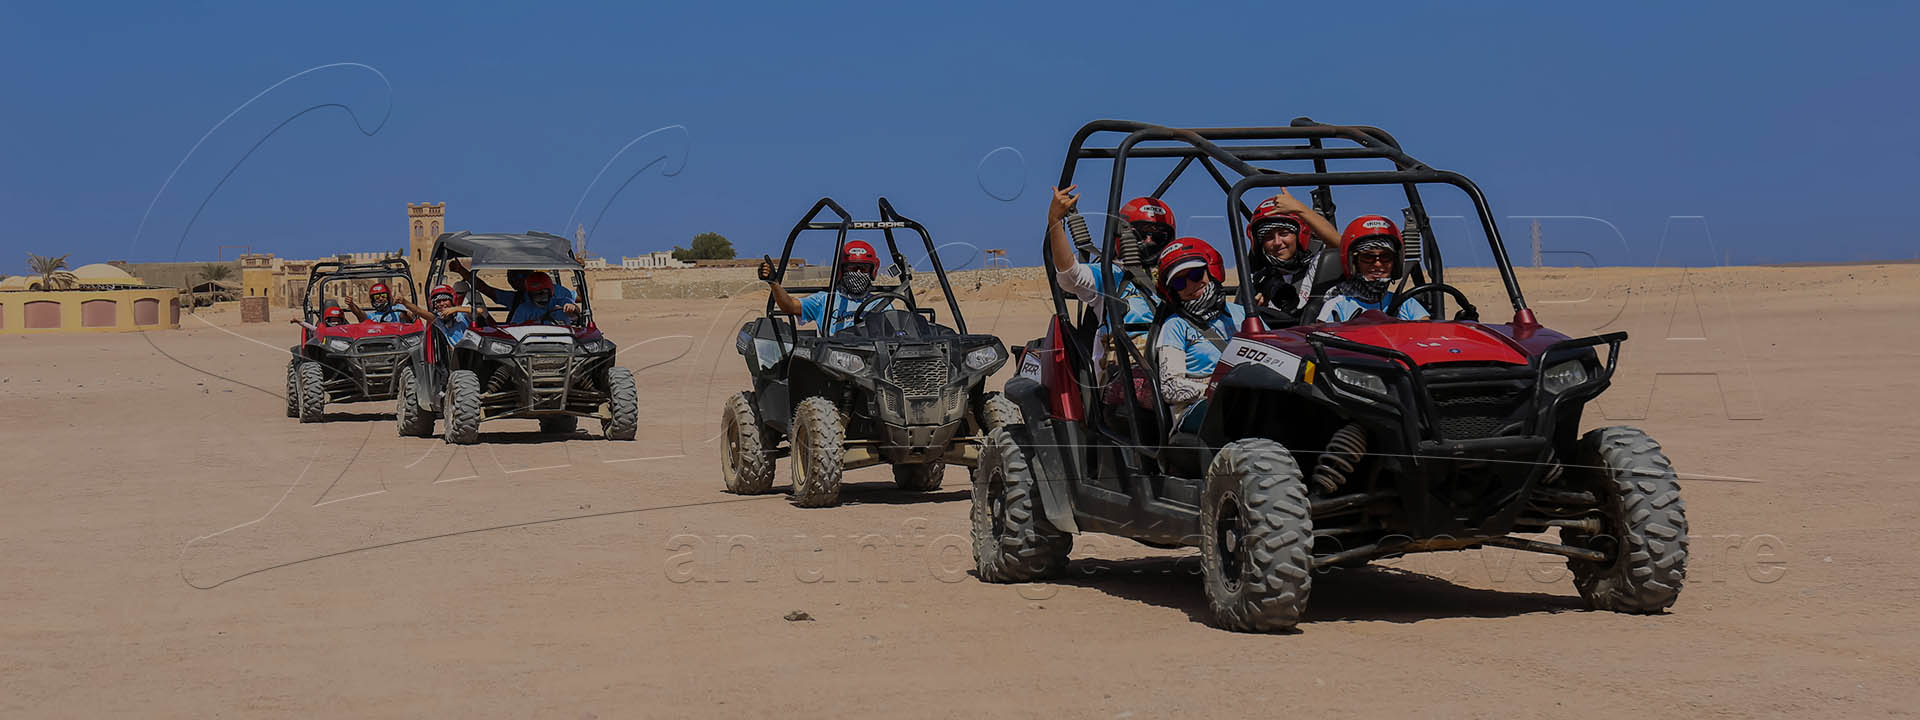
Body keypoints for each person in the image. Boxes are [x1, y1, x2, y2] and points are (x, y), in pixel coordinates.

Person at [1151, 237, 1246, 433]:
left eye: (1195, 274)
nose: (1190, 285)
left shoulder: (1243, 314)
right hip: (1197, 407)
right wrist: (1222, 390)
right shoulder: (1175, 325)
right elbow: (1170, 387)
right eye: (1178, 283)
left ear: (1211, 271)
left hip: (1250, 396)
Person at [759, 240, 892, 335]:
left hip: (874, 361)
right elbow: (789, 306)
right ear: (842, 270)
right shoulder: (825, 300)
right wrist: (774, 283)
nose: (857, 273)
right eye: (852, 267)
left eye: (863, 268)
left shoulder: (881, 303)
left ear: (872, 271)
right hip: (836, 361)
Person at [1244, 190, 1339, 323]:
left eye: (1284, 233)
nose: (1277, 242)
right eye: (1269, 237)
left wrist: (1300, 209)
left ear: (1299, 235)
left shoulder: (1318, 265)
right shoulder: (1258, 280)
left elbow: (1341, 247)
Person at [1317, 215, 1431, 323]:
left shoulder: (1406, 304)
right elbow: (1321, 338)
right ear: (1355, 263)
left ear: (1395, 262)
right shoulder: (1337, 306)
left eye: (1386, 257)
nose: (1377, 264)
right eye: (1368, 257)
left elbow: (1427, 333)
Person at [449, 261, 579, 324]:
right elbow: (486, 289)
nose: (541, 297)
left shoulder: (559, 297)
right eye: (536, 294)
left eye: (543, 293)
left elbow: (576, 301)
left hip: (560, 341)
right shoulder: (521, 306)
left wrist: (572, 309)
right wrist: (461, 270)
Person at [397, 284, 475, 346]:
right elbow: (418, 311)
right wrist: (404, 302)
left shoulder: (462, 315)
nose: (441, 304)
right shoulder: (439, 321)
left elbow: (478, 311)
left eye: (445, 300)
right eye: (438, 302)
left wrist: (455, 309)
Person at [342, 281, 414, 323]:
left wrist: (404, 304)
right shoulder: (372, 316)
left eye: (383, 295)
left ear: (388, 297)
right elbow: (360, 314)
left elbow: (408, 317)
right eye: (377, 297)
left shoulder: (397, 309)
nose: (380, 298)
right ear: (373, 300)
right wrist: (352, 305)